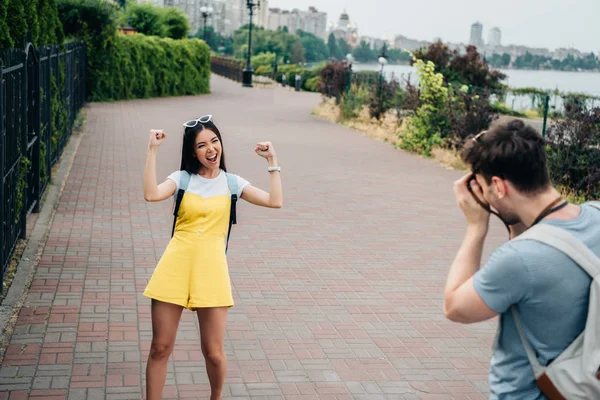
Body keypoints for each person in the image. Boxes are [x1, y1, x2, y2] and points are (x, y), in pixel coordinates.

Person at [443, 119, 600, 399]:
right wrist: (513, 220)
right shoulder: (596, 216)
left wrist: (475, 228)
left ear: (498, 187)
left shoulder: (517, 259)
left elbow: (456, 307)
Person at [142, 115, 283, 400]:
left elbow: (274, 201)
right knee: (160, 348)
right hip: (174, 268)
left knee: (214, 353)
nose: (210, 149)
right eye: (202, 145)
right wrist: (152, 150)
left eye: (214, 141)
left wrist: (272, 162)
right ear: (192, 152)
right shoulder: (181, 179)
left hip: (212, 272)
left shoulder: (233, 184)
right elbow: (151, 194)